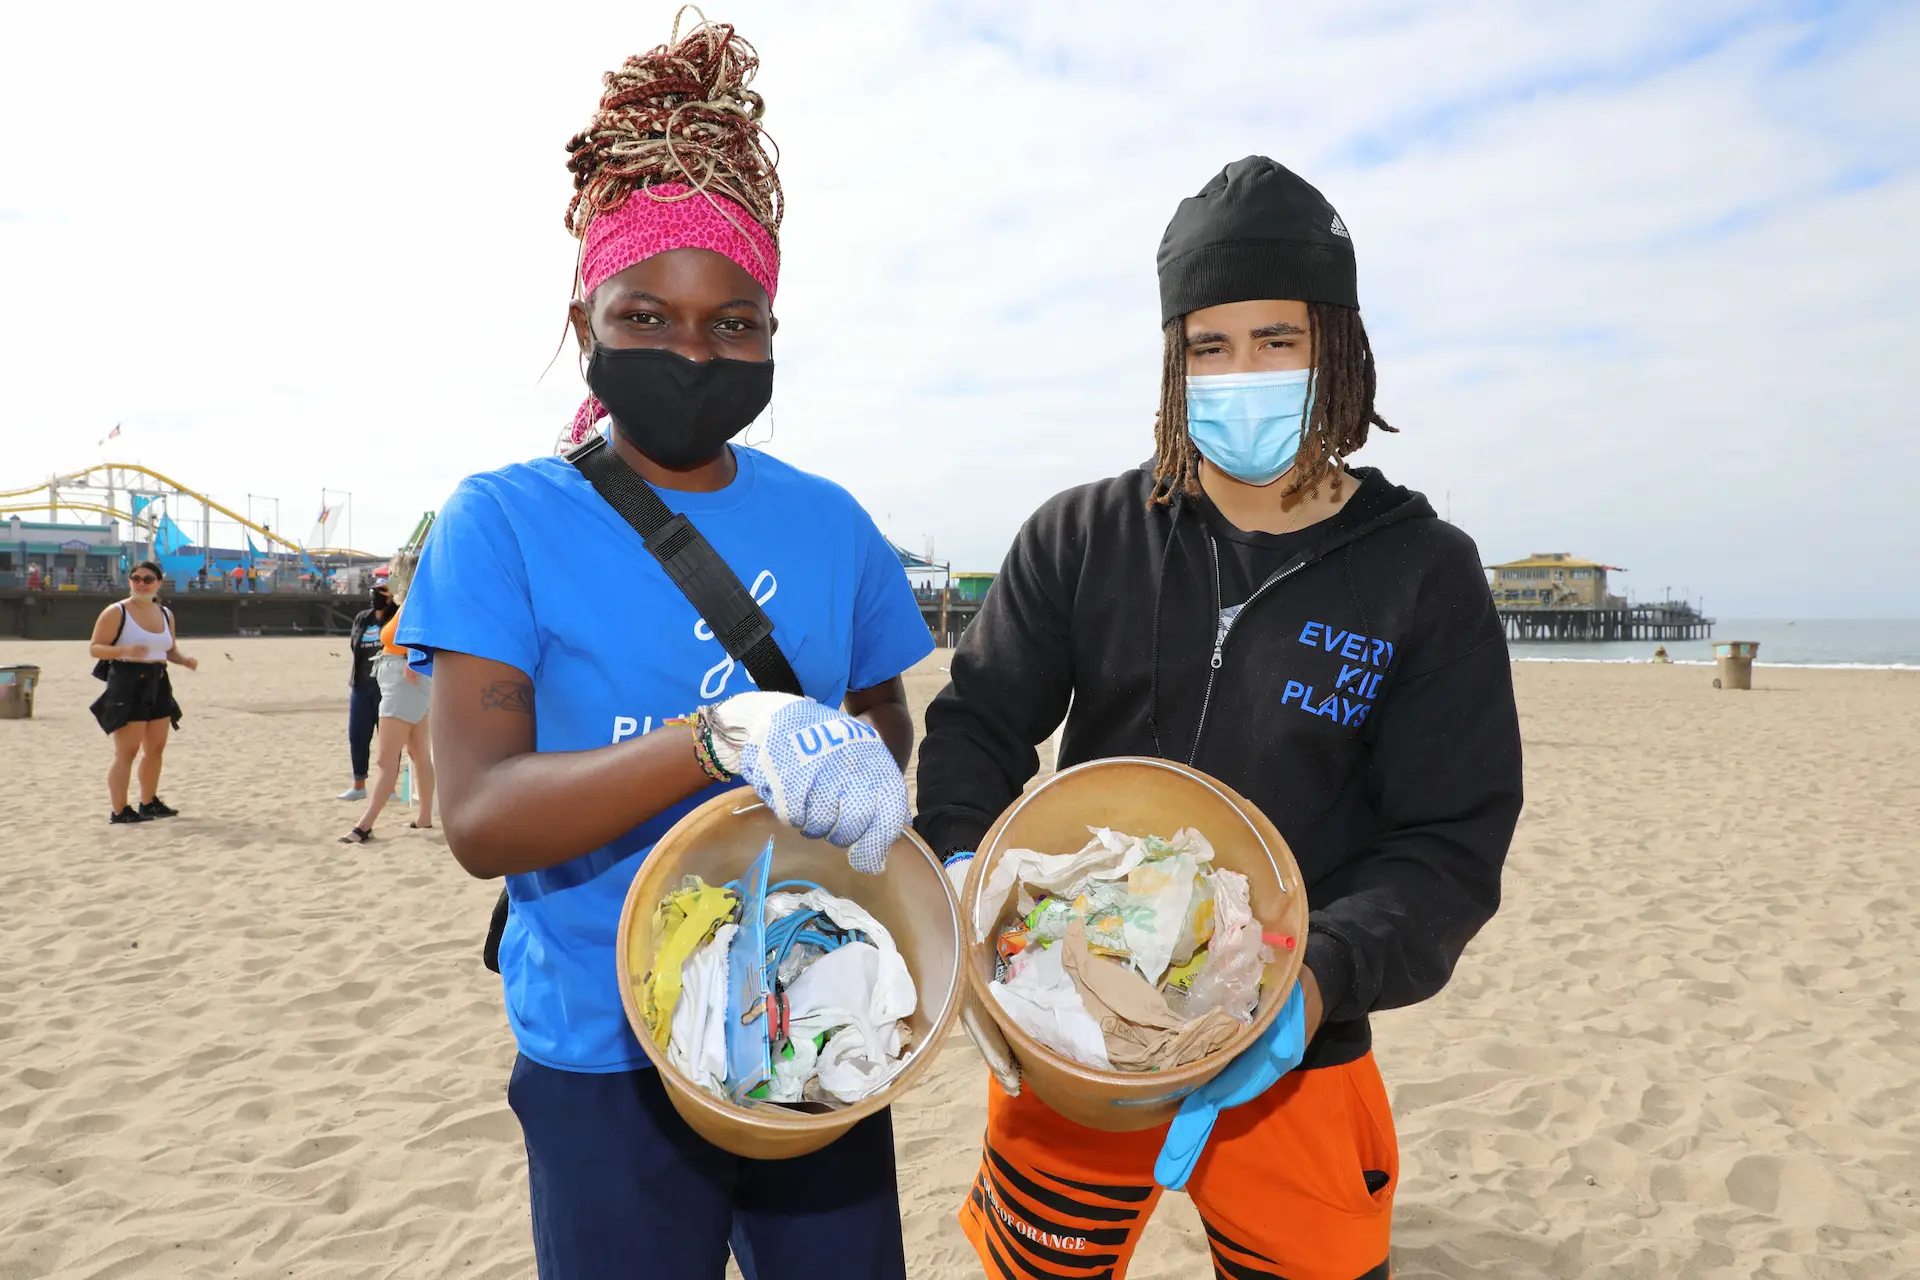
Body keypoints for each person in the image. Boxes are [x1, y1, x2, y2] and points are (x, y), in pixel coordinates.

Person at [914, 157, 1525, 1280]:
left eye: (1277, 340)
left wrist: (1316, 984)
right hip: (1074, 1028)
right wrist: (962, 864)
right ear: (1172, 361)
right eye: (1210, 345)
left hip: (1297, 1041)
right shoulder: (1081, 534)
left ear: (1335, 346)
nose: (1243, 371)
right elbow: (977, 724)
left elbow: (1449, 838)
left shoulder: (1421, 572)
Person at [395, 19, 933, 1278]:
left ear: (771, 331)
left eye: (735, 323)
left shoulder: (829, 519)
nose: (694, 352)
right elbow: (478, 813)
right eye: (649, 312)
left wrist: (862, 775)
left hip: (814, 1008)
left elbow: (882, 729)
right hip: (602, 1042)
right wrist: (719, 741)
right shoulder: (502, 520)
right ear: (586, 313)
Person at [88, 559, 198, 823]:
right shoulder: (116, 612)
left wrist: (184, 660)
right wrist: (124, 650)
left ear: (158, 583)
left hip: (158, 681)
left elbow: (168, 649)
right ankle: (119, 810)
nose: (141, 583)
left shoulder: (165, 614)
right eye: (136, 578)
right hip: (127, 682)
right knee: (127, 751)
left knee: (156, 748)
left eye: (148, 579)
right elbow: (96, 648)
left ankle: (149, 802)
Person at [339, 578, 433, 842]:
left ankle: (365, 825)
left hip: (403, 683)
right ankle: (424, 817)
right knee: (418, 752)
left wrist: (413, 659)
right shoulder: (410, 603)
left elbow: (427, 631)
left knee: (386, 760)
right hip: (402, 682)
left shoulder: (416, 601)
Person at [337, 584, 395, 801]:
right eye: (375, 593)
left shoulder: (395, 617)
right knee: (358, 736)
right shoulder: (363, 618)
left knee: (388, 739)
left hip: (386, 686)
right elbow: (354, 645)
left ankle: (389, 788)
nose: (376, 597)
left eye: (382, 593)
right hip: (361, 686)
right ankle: (359, 784)